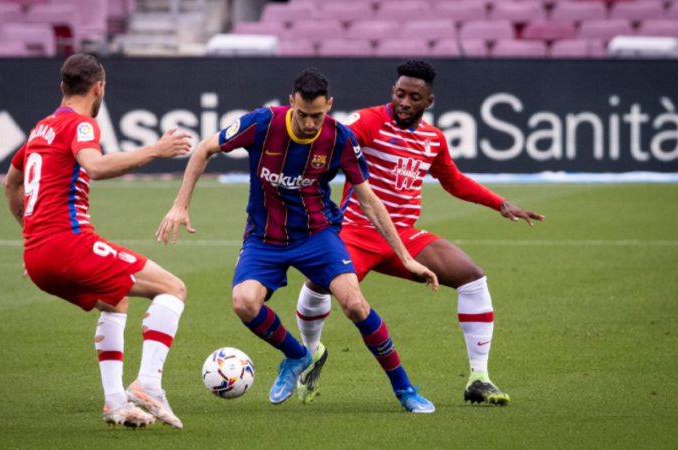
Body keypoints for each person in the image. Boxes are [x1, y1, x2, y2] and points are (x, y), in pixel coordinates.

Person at [157, 68, 439, 413]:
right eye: (303, 115)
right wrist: (180, 204)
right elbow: (204, 149)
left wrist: (406, 257)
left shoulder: (340, 139)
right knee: (244, 303)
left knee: (355, 305)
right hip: (264, 238)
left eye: (317, 115)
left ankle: (405, 390)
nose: (309, 124)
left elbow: (369, 200)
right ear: (291, 103)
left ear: (329, 106)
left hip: (317, 235)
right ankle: (297, 356)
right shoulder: (262, 123)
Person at [294, 60, 545, 406]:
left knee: (472, 278)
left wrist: (499, 202)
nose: (405, 102)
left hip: (405, 237)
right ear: (392, 93)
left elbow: (453, 180)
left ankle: (479, 379)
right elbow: (330, 144)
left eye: (415, 96)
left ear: (429, 102)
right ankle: (310, 355)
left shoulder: (432, 139)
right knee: (317, 283)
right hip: (357, 231)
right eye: (400, 94)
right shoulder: (367, 122)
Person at [2, 54, 193, 429]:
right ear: (99, 88)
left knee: (115, 299)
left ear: (62, 87)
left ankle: (115, 403)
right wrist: (155, 150)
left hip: (38, 254)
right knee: (173, 288)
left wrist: (33, 235)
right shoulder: (82, 124)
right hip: (67, 245)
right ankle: (149, 386)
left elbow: (11, 183)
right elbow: (96, 165)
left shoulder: (40, 128)